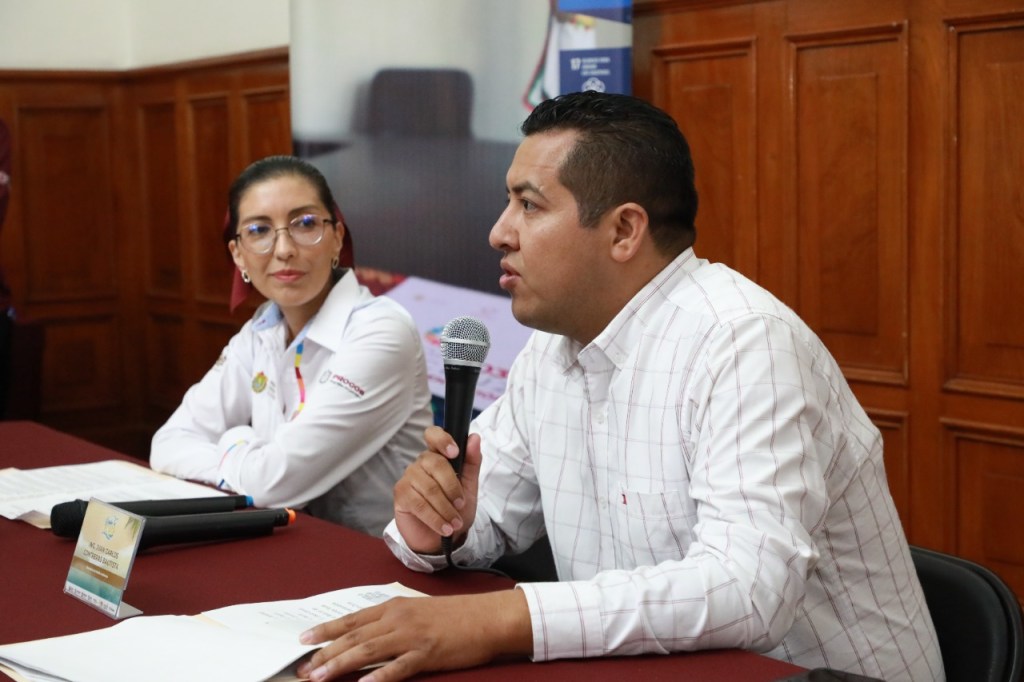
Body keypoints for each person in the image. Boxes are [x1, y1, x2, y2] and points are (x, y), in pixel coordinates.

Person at [296, 92, 944, 681]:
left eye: (529, 205)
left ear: (624, 231)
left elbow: (747, 590)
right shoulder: (551, 348)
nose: (499, 231)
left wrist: (500, 619)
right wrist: (439, 526)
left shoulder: (744, 342)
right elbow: (485, 518)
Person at [150, 155, 433, 537]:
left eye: (305, 224)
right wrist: (251, 461)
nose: (283, 249)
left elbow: (272, 485)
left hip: (379, 555)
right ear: (238, 254)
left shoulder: (381, 331)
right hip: (290, 542)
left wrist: (235, 438)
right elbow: (168, 443)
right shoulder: (260, 330)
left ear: (337, 237)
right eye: (259, 230)